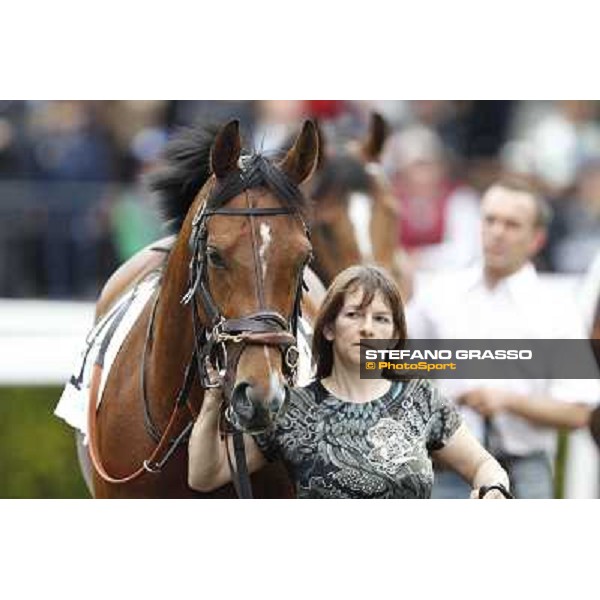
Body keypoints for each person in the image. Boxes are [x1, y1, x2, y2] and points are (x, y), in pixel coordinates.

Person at [188, 265, 510, 499]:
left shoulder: (421, 397)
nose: (367, 328)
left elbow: (483, 464)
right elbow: (205, 476)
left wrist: (494, 488)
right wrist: (213, 401)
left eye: (381, 319)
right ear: (328, 328)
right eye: (354, 315)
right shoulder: (292, 408)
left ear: (394, 335)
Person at [407, 178, 600, 499]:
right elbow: (389, 363)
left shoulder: (555, 309)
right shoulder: (438, 295)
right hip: (447, 468)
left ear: (536, 238)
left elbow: (579, 411)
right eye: (490, 220)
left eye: (512, 224)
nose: (497, 232)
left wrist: (509, 402)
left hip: (525, 469)